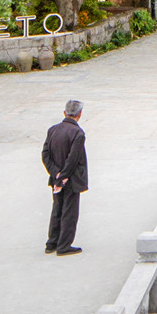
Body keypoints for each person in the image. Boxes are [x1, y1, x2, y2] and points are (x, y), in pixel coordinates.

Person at [42, 100, 88, 256]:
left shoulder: (53, 130)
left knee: (57, 209)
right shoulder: (78, 133)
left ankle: (52, 243)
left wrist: (55, 173)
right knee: (69, 212)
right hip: (70, 180)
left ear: (64, 113)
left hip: (56, 179)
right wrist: (63, 177)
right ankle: (64, 245)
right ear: (79, 114)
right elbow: (73, 159)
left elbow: (45, 155)